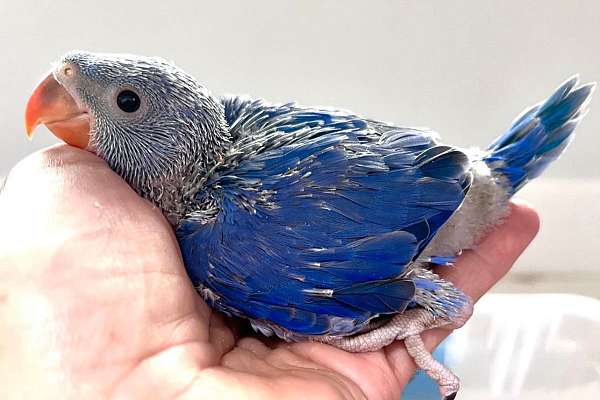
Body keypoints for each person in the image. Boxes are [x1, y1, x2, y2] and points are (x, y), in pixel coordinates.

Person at [0, 146, 539, 399]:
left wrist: (410, 313)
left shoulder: (223, 238)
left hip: (441, 206)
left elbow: (430, 286)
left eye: (128, 104)